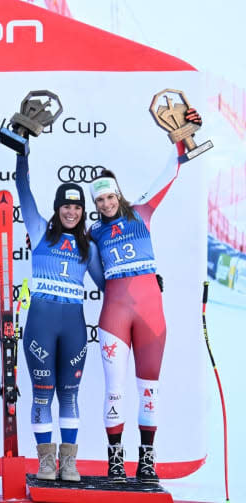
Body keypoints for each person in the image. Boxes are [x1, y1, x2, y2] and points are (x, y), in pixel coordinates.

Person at [89, 108, 202, 484]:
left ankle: (148, 461)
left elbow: (170, 171)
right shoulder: (93, 233)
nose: (105, 204)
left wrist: (182, 134)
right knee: (115, 392)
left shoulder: (141, 212)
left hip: (151, 312)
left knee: (149, 389)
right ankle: (116, 462)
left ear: (117, 194)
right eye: (99, 201)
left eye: (109, 197)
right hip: (114, 317)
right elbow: (63, 246)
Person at [15, 150, 105, 481]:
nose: (71, 211)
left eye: (77, 206)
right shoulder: (38, 229)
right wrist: (22, 153)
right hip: (41, 321)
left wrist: (144, 285)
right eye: (66, 205)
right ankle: (46, 461)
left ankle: (69, 461)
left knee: (69, 395)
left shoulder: (89, 247)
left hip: (73, 326)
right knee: (42, 393)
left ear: (83, 211)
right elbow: (21, 188)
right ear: (57, 208)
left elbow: (106, 285)